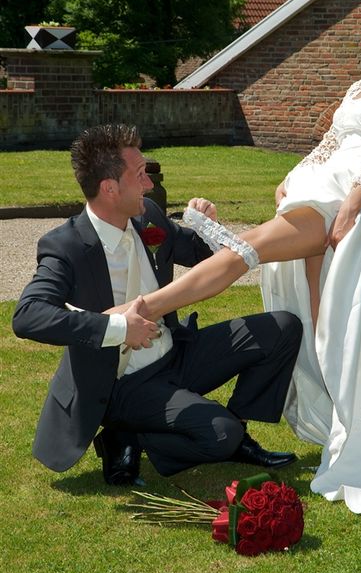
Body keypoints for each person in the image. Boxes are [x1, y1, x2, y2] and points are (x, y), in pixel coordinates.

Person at [114, 0, 361, 527]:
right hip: (318, 193)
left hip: (346, 205)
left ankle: (146, 307)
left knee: (242, 253)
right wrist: (291, 177)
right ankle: (349, 427)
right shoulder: (358, 87)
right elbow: (329, 145)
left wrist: (350, 206)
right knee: (325, 327)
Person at [12, 124, 303, 486]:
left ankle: (236, 433)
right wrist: (118, 328)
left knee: (283, 328)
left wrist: (207, 226)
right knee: (218, 433)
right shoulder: (65, 246)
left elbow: (197, 253)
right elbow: (28, 316)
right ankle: (128, 429)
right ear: (109, 188)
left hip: (175, 353)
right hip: (123, 382)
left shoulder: (147, 214)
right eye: (139, 176)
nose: (149, 185)